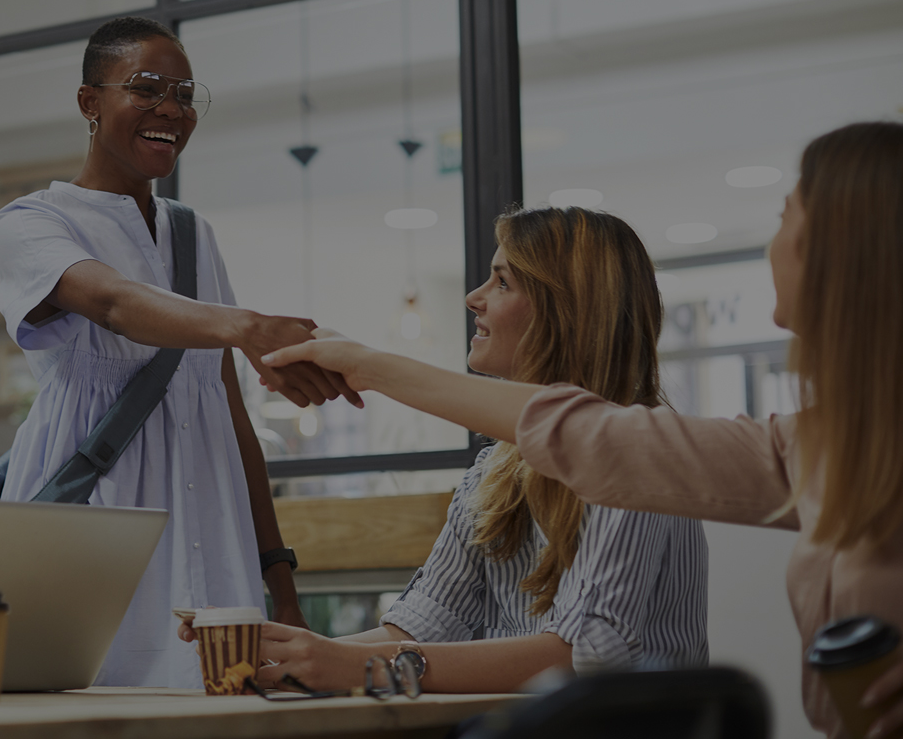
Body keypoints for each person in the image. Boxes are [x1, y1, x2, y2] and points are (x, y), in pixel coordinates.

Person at [262, 121, 903, 738]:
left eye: (786, 216)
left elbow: (588, 648)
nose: (774, 241)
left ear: (845, 249)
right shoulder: (817, 448)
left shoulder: (675, 454)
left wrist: (376, 669)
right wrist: (299, 654)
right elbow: (436, 614)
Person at [0, 16, 360, 688]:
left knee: (221, 701)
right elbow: (112, 303)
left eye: (186, 94)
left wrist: (280, 582)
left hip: (210, 521)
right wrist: (246, 327)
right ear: (89, 103)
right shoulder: (34, 222)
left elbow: (229, 414)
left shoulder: (193, 236)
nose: (171, 109)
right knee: (84, 702)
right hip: (98, 523)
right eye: (148, 87)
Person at [210, 206, 708, 694]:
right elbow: (422, 623)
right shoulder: (495, 467)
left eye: (503, 282)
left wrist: (362, 666)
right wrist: (282, 656)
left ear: (567, 311)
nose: (474, 297)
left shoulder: (636, 453)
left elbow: (584, 655)